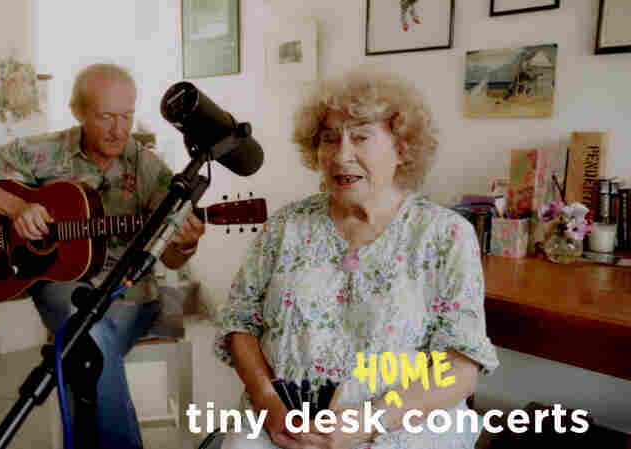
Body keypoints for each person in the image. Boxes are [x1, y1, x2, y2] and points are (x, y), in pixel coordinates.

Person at [208, 69, 499, 449]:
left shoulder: (445, 235)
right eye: (330, 139)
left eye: (361, 136)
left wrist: (368, 421)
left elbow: (461, 367)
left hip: (402, 420)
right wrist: (268, 400)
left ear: (402, 148)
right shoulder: (286, 227)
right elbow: (240, 323)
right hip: (285, 420)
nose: (342, 155)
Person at [0, 63, 205, 449]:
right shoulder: (44, 152)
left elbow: (170, 262)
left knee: (86, 346)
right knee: (86, 331)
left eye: (127, 116)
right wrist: (16, 208)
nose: (119, 130)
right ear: (78, 112)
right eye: (106, 117)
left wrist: (185, 243)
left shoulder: (148, 169)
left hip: (129, 297)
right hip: (61, 289)